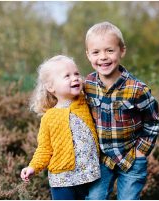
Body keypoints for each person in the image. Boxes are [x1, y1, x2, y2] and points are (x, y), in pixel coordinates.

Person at [84, 21, 159, 200]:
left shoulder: (137, 89)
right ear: (88, 55)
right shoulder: (87, 85)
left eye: (109, 50)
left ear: (122, 50)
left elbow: (154, 120)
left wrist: (141, 151)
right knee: (94, 198)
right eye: (96, 52)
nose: (103, 57)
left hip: (131, 158)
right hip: (101, 160)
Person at [20, 55, 101, 200]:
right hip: (62, 180)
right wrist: (33, 167)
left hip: (90, 175)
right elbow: (44, 149)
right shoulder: (49, 118)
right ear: (51, 87)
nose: (75, 78)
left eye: (76, 74)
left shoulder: (85, 101)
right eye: (67, 76)